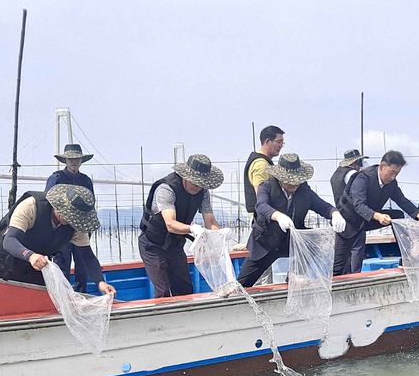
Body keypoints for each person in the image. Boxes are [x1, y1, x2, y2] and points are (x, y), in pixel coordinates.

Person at [0, 184, 116, 295]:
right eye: (71, 217)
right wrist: (30, 256)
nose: (73, 222)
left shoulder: (76, 225)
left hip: (35, 268)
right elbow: (10, 240)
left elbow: (88, 257)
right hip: (2, 264)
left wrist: (100, 282)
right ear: (59, 208)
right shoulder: (31, 206)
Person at [237, 153, 346, 288]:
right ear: (280, 178)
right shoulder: (267, 186)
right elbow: (261, 206)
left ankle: (295, 274)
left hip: (292, 240)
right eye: (290, 180)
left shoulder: (304, 190)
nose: (294, 184)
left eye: (297, 181)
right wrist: (278, 216)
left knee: (320, 238)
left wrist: (335, 213)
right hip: (266, 243)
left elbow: (322, 206)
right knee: (243, 283)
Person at [139, 154, 223, 297]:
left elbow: (210, 220)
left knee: (185, 290)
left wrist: (218, 234)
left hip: (175, 245)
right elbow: (170, 224)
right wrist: (192, 228)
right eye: (195, 183)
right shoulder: (166, 189)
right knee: (163, 291)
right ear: (185, 176)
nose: (198, 187)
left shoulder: (203, 192)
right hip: (153, 245)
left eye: (202, 184)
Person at [333, 150, 419, 275]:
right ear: (382, 166)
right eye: (392, 172)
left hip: (365, 221)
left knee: (398, 216)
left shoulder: (392, 183)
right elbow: (359, 205)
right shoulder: (363, 178)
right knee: (339, 265)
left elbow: (402, 201)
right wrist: (377, 216)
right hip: (348, 222)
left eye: (397, 173)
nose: (393, 177)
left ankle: (409, 255)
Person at [46, 144, 96, 292]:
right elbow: (47, 201)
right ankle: (63, 296)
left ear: (81, 160)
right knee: (62, 264)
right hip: (61, 229)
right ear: (65, 160)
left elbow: (91, 204)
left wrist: (88, 229)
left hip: (80, 228)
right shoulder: (56, 177)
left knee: (82, 264)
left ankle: (82, 295)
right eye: (71, 159)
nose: (74, 162)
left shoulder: (86, 180)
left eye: (77, 159)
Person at [243, 125, 285, 214]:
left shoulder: (263, 162)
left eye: (282, 143)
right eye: (278, 142)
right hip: (263, 220)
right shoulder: (261, 165)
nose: (281, 146)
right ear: (267, 141)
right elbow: (261, 198)